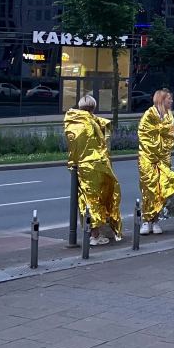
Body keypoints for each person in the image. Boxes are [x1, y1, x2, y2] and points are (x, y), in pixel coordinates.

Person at [64, 94, 122, 246]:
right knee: (99, 198)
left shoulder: (72, 122)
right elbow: (101, 144)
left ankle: (92, 231)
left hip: (79, 167)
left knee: (85, 199)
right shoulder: (91, 123)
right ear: (93, 107)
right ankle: (96, 235)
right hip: (95, 165)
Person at [138, 88, 174, 235]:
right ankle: (147, 221)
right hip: (148, 159)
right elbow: (144, 134)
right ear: (161, 100)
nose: (171, 101)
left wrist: (163, 134)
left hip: (164, 158)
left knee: (163, 190)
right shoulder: (149, 114)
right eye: (169, 99)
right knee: (149, 190)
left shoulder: (169, 116)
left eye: (171, 99)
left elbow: (170, 136)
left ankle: (156, 220)